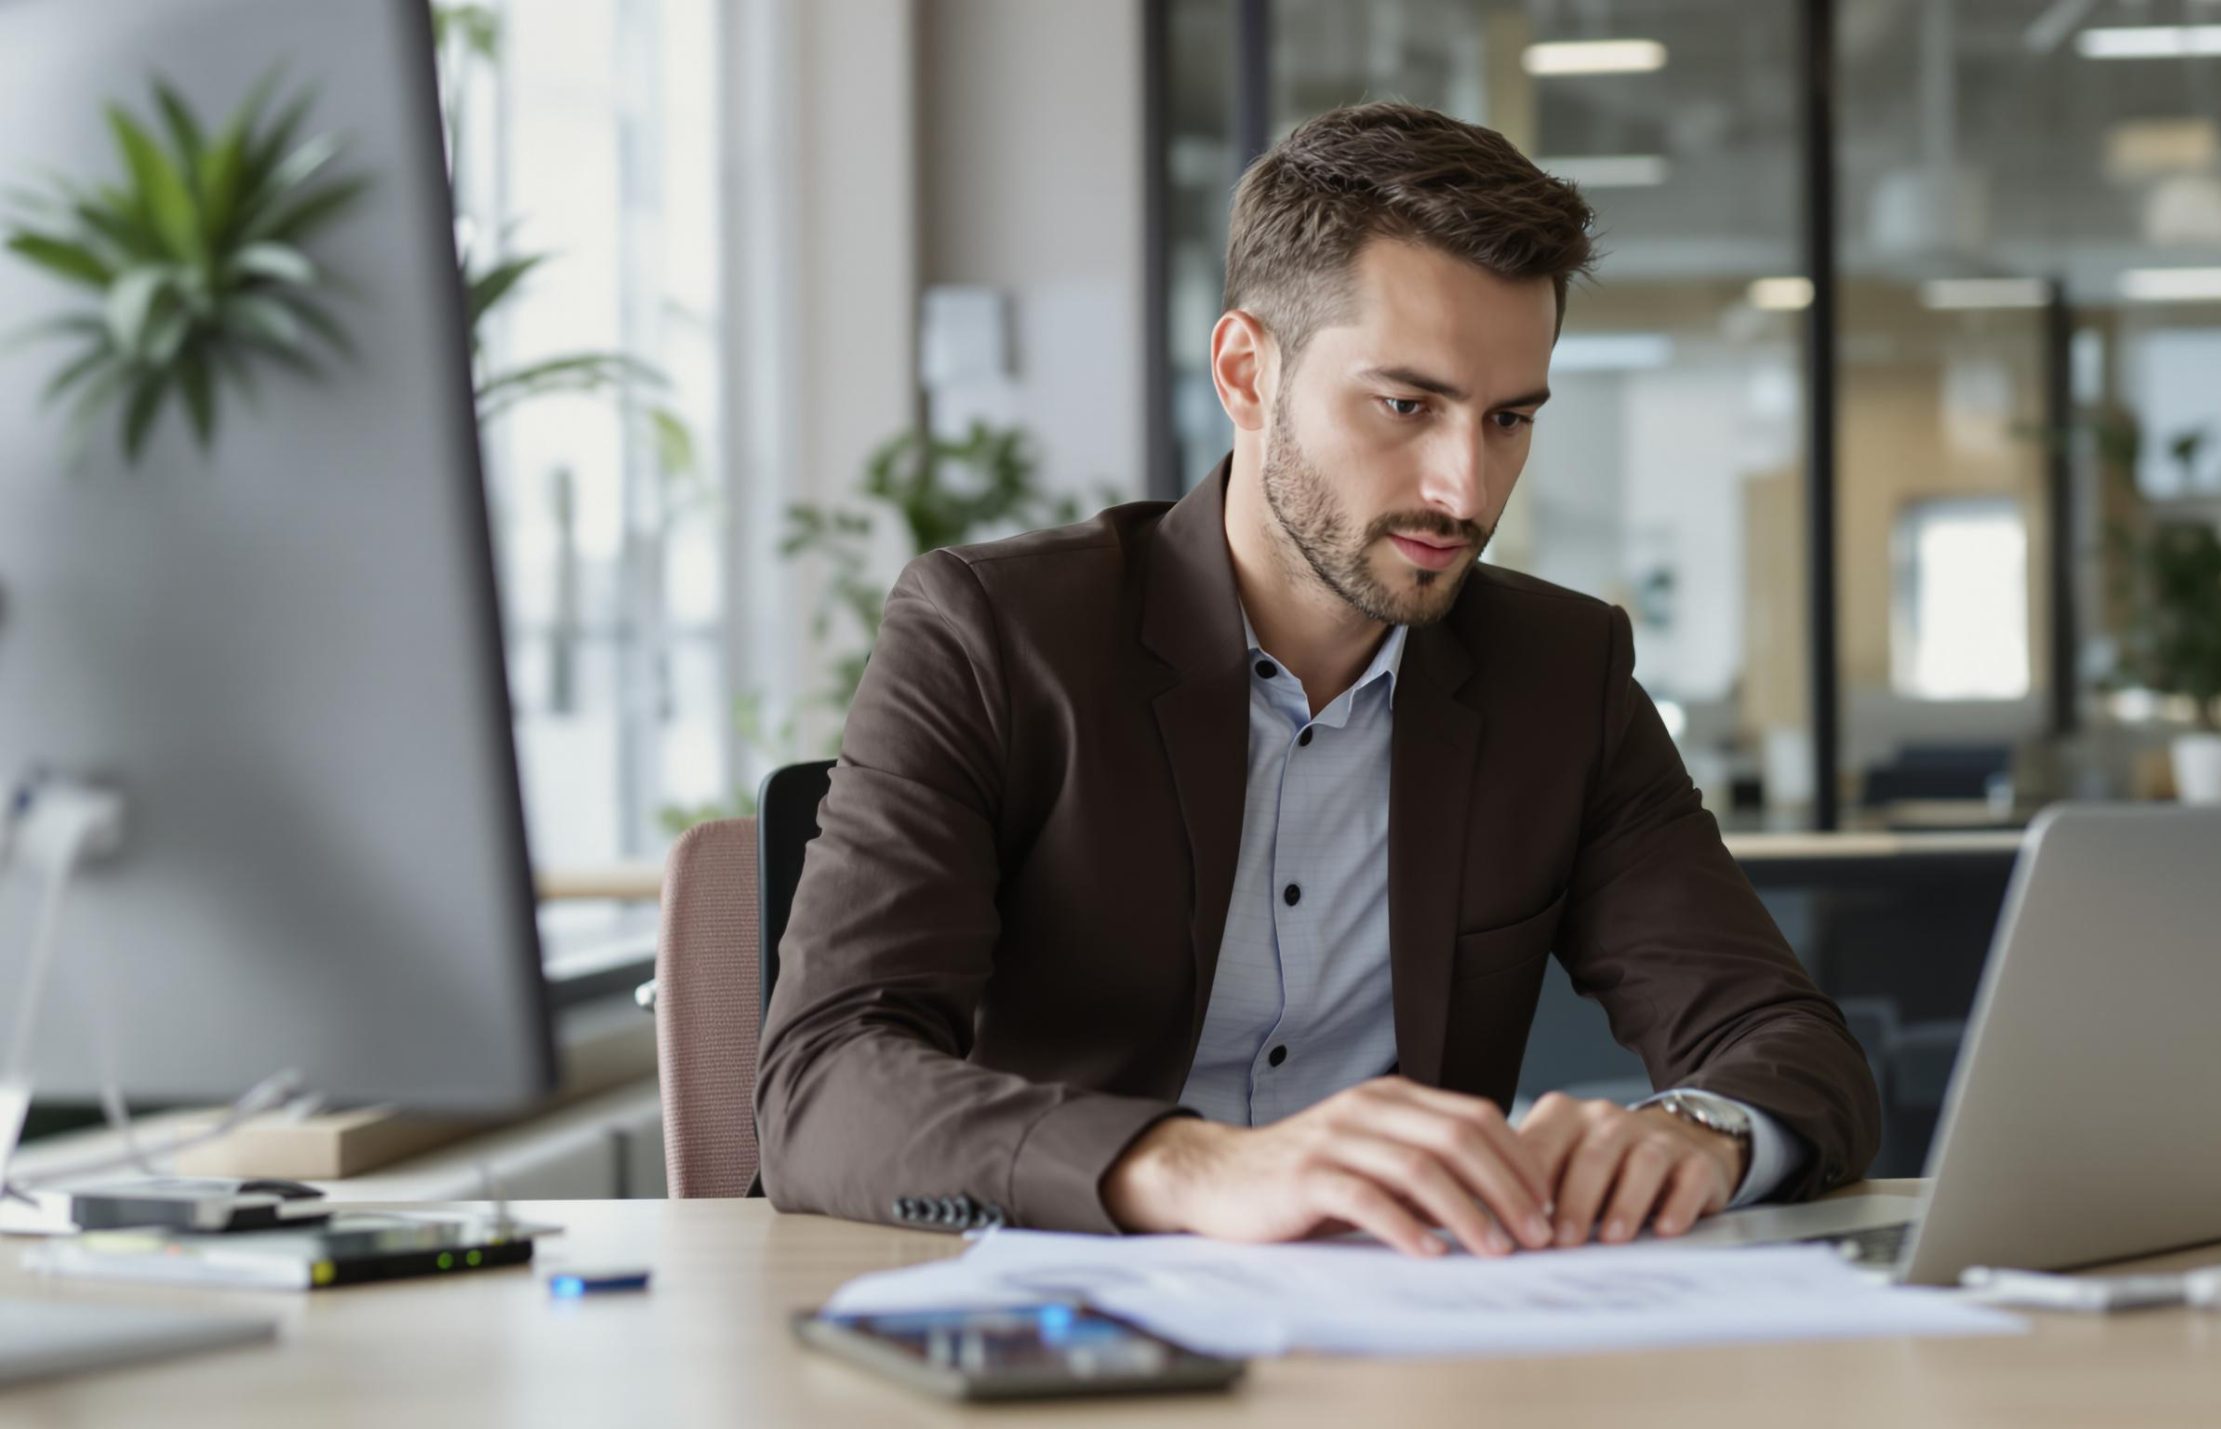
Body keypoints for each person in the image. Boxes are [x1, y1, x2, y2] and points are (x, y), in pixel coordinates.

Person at [757, 101, 1880, 1258]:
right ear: (1246, 372)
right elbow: (825, 1082)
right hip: (1067, 1315)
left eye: (1508, 419)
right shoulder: (995, 636)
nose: (1464, 488)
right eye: (1407, 405)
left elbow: (1783, 1041)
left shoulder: (1561, 677)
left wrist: (1700, 1131)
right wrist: (1194, 1166)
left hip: (1419, 1330)